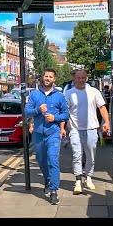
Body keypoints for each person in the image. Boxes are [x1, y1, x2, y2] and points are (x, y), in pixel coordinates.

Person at [25, 68, 69, 205]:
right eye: (46, 76)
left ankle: (54, 191)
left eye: (50, 76)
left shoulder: (60, 96)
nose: (48, 78)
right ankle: (48, 179)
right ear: (42, 78)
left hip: (53, 133)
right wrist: (38, 110)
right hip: (38, 134)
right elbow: (27, 112)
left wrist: (55, 117)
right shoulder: (34, 94)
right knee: (41, 160)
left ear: (54, 79)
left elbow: (66, 114)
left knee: (52, 160)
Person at [64, 69, 111, 194]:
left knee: (91, 154)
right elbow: (64, 112)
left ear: (86, 78)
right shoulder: (69, 93)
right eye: (78, 78)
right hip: (74, 129)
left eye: (83, 78)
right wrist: (62, 128)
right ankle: (78, 181)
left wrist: (107, 122)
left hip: (91, 128)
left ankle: (88, 177)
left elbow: (102, 107)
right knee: (77, 155)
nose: (80, 80)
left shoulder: (94, 92)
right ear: (74, 79)